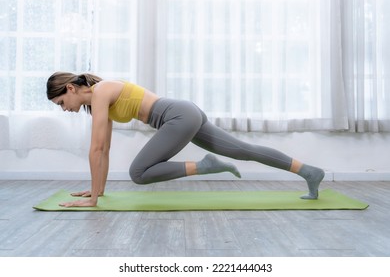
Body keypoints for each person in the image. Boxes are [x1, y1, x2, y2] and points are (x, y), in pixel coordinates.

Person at [46, 72, 325, 207]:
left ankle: (206, 165)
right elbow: (103, 149)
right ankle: (309, 172)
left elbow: (95, 149)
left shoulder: (101, 91)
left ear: (71, 88)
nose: (64, 108)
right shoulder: (97, 103)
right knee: (243, 150)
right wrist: (98, 192)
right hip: (184, 113)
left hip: (177, 116)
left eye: (61, 102)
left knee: (138, 173)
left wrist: (93, 200)